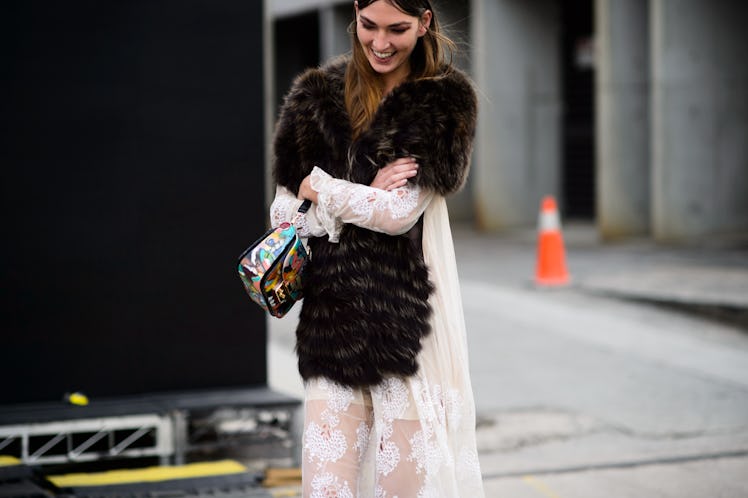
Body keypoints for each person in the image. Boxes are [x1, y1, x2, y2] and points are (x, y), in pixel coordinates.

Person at [269, 0, 484, 496]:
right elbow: (282, 216)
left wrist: (319, 189)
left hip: (406, 331)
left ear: (425, 22)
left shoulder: (441, 101)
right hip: (332, 329)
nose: (380, 43)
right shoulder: (316, 99)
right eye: (369, 25)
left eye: (397, 29)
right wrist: (357, 194)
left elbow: (397, 214)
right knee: (326, 488)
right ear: (355, 13)